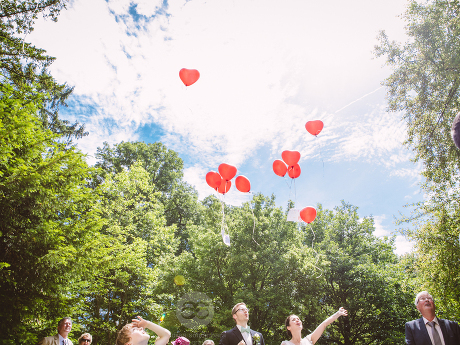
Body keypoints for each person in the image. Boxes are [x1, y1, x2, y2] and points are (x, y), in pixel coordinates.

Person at [282, 308, 348, 345]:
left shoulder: (309, 339)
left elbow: (324, 324)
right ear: (288, 327)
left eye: (298, 319)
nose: (297, 320)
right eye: (293, 320)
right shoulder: (286, 344)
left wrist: (338, 313)